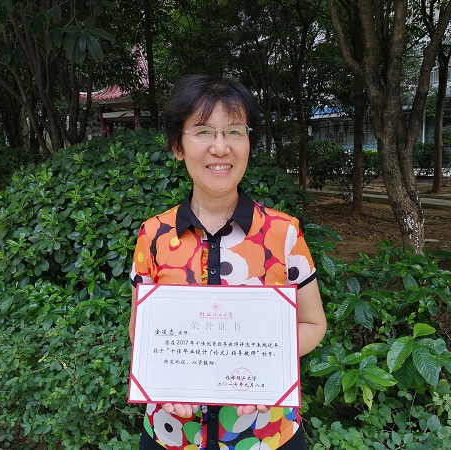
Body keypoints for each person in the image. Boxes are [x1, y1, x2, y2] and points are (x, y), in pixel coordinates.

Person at [129, 74, 327, 450]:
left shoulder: (283, 233)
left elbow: (313, 323)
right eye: (203, 132)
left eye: (234, 131)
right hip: (173, 434)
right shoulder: (153, 235)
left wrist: (264, 368)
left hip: (265, 435)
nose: (220, 148)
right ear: (178, 146)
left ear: (249, 143)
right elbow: (141, 330)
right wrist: (163, 378)